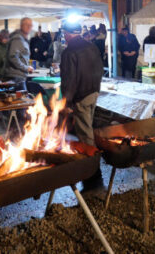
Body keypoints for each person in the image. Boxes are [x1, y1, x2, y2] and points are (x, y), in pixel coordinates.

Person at [60, 22, 104, 192]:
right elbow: (100, 69)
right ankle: (92, 170)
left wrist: (67, 102)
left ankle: (93, 176)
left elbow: (69, 80)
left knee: (85, 134)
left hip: (81, 97)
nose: (64, 36)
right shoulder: (91, 47)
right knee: (88, 129)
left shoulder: (69, 52)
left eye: (64, 33)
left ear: (67, 34)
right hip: (93, 92)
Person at [3, 17, 34, 89]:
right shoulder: (17, 38)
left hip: (19, 77)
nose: (29, 27)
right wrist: (26, 68)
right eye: (26, 24)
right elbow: (12, 57)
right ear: (21, 26)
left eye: (30, 25)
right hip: (15, 77)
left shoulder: (23, 39)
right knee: (22, 99)